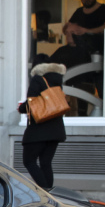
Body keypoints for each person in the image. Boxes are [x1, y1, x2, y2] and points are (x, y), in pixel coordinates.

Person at [18, 56, 67, 190]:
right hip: (56, 130)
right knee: (46, 163)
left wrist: (21, 108)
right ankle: (51, 194)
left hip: (39, 129)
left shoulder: (37, 79)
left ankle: (45, 191)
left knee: (29, 161)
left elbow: (31, 103)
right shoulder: (57, 80)